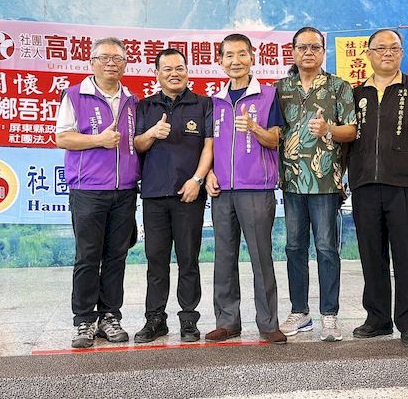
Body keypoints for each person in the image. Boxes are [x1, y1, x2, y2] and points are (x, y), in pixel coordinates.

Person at [347, 29, 408, 348]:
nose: (387, 53)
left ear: (401, 53)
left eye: (394, 48)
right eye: (380, 48)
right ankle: (378, 318)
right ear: (368, 53)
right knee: (371, 253)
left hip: (405, 183)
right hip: (364, 183)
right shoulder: (356, 93)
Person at [56, 37, 139, 348]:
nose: (111, 63)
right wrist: (98, 140)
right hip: (88, 189)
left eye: (117, 59)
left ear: (125, 64)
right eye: (104, 57)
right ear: (92, 62)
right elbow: (62, 138)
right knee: (88, 257)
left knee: (116, 256)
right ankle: (83, 320)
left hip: (125, 190)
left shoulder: (131, 100)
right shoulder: (75, 96)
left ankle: (109, 316)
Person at [276, 26, 357, 342]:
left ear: (324, 51)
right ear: (293, 51)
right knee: (294, 247)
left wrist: (328, 130)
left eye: (314, 47)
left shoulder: (339, 87)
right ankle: (300, 312)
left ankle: (329, 315)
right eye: (302, 47)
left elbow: (352, 131)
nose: (308, 52)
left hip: (325, 182)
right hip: (292, 182)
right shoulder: (281, 89)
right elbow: (274, 133)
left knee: (326, 248)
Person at [204, 34, 287, 345]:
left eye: (241, 54)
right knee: (224, 257)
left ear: (253, 57)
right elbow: (208, 145)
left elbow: (275, 140)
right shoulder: (214, 101)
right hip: (222, 191)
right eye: (229, 55)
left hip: (256, 188)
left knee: (260, 257)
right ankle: (227, 322)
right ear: (220, 61)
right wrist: (208, 173)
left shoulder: (269, 95)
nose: (235, 61)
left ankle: (268, 323)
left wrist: (253, 127)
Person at [133, 48, 213, 344]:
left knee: (188, 259)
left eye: (179, 68)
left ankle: (189, 319)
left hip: (189, 194)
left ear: (187, 71)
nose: (174, 73)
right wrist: (152, 133)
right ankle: (155, 319)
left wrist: (197, 180)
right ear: (157, 74)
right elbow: (136, 144)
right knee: (156, 260)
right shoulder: (145, 106)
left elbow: (210, 145)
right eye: (167, 69)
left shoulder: (203, 104)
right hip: (154, 194)